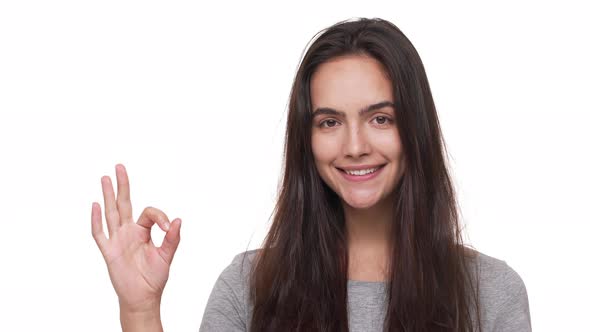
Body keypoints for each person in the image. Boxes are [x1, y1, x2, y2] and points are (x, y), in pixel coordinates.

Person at [91, 17, 531, 332]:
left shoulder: (490, 293)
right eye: (330, 122)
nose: (354, 145)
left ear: (415, 129)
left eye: (380, 119)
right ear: (307, 139)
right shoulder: (248, 287)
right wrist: (140, 311)